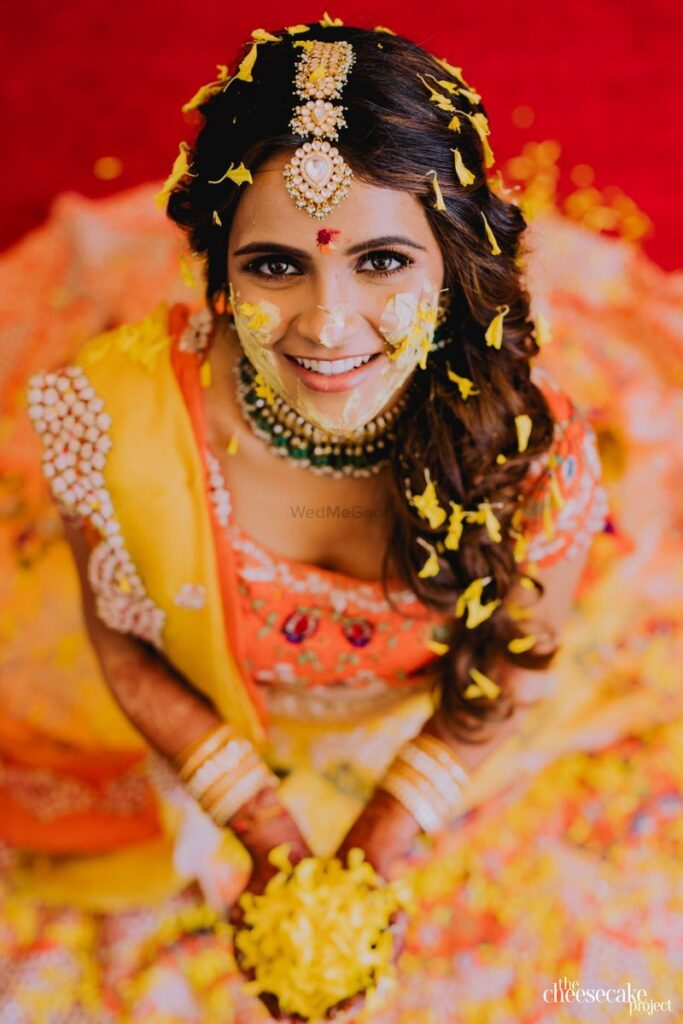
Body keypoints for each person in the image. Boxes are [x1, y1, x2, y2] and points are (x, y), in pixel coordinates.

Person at [4, 19, 680, 1024]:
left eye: (380, 262)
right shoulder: (116, 424)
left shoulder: (528, 467)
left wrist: (385, 830)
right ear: (217, 270)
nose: (326, 325)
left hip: (399, 737)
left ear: (452, 263)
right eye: (275, 266)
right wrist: (262, 821)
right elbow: (124, 639)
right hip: (212, 725)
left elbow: (516, 662)